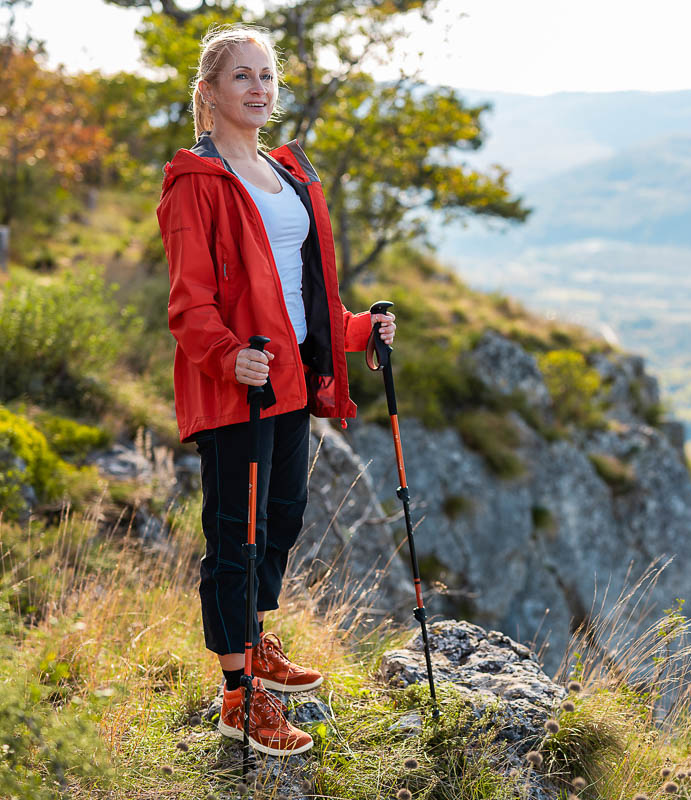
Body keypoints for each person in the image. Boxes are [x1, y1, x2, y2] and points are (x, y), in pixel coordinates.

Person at [156, 23, 396, 756]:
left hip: (291, 375)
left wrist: (359, 330)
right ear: (210, 92)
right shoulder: (195, 182)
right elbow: (188, 305)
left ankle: (254, 643)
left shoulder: (288, 173)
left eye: (267, 77)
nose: (259, 89)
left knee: (281, 520)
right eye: (242, 77)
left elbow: (308, 291)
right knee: (236, 535)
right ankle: (237, 697)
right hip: (240, 384)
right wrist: (229, 358)